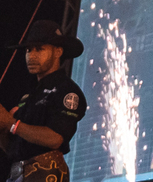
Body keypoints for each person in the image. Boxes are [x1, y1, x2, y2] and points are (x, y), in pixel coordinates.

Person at [0, 21, 88, 182]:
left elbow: (55, 138)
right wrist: (3, 128)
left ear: (58, 51)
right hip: (17, 175)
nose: (32, 56)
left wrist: (12, 123)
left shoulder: (66, 90)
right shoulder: (29, 96)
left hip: (45, 175)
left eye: (39, 49)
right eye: (28, 50)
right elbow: (15, 149)